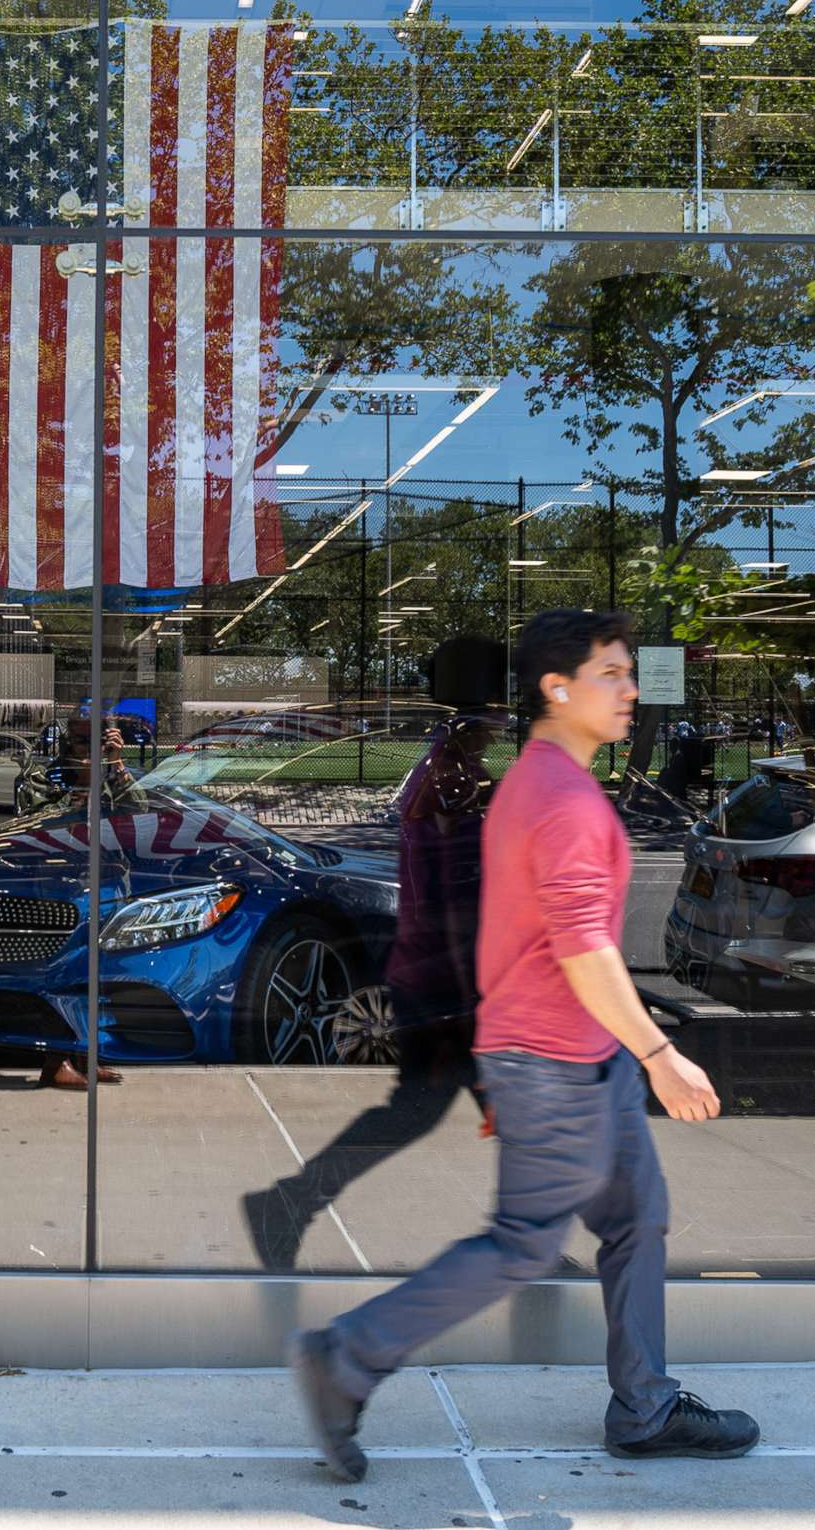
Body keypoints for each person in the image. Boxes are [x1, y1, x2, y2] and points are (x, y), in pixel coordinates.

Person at [286, 609, 757, 1480]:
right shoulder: (564, 802)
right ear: (557, 688)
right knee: (524, 1243)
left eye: (627, 672)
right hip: (560, 1061)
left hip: (574, 1057)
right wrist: (658, 1053)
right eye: (611, 673)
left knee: (636, 1218)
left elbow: (511, 934)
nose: (628, 689)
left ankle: (646, 1405)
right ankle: (345, 1359)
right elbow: (583, 947)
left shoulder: (533, 784)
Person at [240, 636, 502, 1270]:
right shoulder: (457, 781)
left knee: (425, 1112)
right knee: (475, 1113)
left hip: (434, 972)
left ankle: (292, 1200)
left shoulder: (438, 768)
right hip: (451, 979)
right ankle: (528, 1237)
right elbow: (456, 897)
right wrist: (475, 996)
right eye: (499, 711)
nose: (502, 726)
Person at [37, 714, 129, 1093]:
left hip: (103, 884)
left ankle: (88, 1057)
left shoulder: (108, 774)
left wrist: (117, 763)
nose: (89, 752)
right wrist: (84, 779)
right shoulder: (51, 777)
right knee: (64, 975)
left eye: (96, 743)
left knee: (99, 975)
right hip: (59, 889)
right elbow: (41, 819)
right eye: (81, 744)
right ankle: (55, 1061)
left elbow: (137, 806)